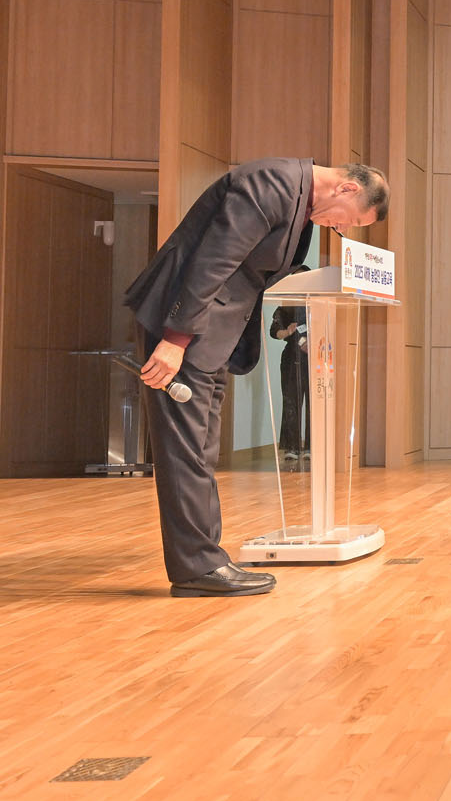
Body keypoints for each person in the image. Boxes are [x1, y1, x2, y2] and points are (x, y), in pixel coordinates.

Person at [125, 158, 388, 596]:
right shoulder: (270, 185)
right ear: (346, 189)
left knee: (200, 450)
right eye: (350, 221)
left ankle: (205, 561)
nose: (341, 230)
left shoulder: (298, 200)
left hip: (210, 335)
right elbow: (212, 261)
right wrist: (174, 340)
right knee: (185, 450)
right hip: (183, 328)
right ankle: (197, 569)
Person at [269, 304, 309, 468]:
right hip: (291, 357)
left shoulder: (318, 304)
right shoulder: (287, 305)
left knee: (315, 405)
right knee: (291, 401)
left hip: (316, 356)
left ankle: (312, 446)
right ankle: (292, 446)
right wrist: (287, 332)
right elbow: (274, 331)